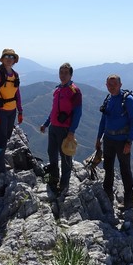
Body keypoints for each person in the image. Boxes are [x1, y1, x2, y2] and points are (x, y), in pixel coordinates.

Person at [96, 74, 133, 223]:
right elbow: (104, 120)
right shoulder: (108, 99)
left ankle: (129, 201)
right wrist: (98, 138)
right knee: (108, 168)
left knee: (125, 170)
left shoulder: (127, 100)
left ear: (120, 85)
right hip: (108, 139)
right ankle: (108, 195)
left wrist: (129, 141)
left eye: (114, 84)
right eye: (109, 84)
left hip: (122, 141)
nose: (111, 87)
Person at [40, 63, 82, 193]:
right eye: (61, 72)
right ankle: (54, 178)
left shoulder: (74, 91)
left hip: (65, 129)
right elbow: (54, 111)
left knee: (65, 157)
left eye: (66, 73)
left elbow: (78, 113)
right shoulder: (58, 89)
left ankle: (64, 184)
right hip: (53, 127)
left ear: (70, 75)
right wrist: (46, 124)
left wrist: (72, 131)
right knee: (51, 153)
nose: (63, 75)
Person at [0, 48, 23, 173]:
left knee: (5, 137)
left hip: (12, 111)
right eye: (6, 56)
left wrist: (20, 111)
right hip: (0, 112)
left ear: (14, 60)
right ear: (2, 59)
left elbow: (17, 93)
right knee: (1, 139)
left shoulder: (15, 75)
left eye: (12, 57)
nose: (9, 59)